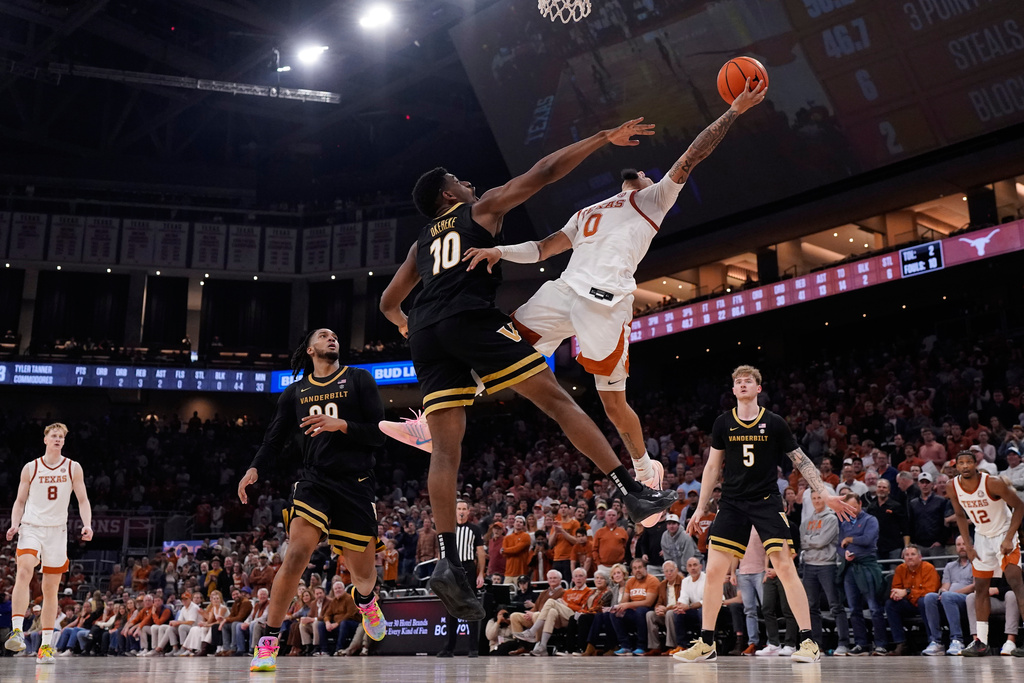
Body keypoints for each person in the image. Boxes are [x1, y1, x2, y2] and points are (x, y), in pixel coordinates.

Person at [378, 118, 677, 621]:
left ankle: (451, 561)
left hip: (427, 332)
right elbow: (542, 172)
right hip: (470, 319)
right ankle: (634, 495)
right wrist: (602, 138)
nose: (466, 180)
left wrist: (409, 327)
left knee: (445, 452)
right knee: (558, 400)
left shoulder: (419, 245)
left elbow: (389, 302)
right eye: (456, 178)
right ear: (447, 194)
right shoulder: (479, 208)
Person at [674, 366, 853, 663]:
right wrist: (702, 506)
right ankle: (706, 644)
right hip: (731, 502)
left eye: (748, 381)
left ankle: (808, 642)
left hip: (767, 501)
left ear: (758, 388)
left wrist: (823, 492)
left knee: (784, 567)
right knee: (715, 571)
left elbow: (801, 460)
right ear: (733, 390)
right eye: (738, 382)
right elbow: (711, 467)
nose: (742, 385)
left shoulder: (775, 422)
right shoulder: (722, 423)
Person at [237, 328, 388, 672]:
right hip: (313, 481)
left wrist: (341, 425)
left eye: (334, 335)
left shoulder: (360, 379)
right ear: (309, 349)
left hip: (356, 483)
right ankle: (268, 641)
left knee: (363, 575)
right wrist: (254, 469)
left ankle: (365, 601)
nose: (331, 338)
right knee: (295, 555)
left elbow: (378, 434)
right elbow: (273, 440)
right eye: (323, 335)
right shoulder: (295, 392)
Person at [4, 422, 93, 665]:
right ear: (45, 439)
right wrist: (15, 524)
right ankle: (17, 630)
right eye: (53, 436)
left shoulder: (73, 467)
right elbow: (20, 501)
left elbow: (83, 500)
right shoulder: (31, 468)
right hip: (32, 527)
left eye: (61, 437)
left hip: (57, 531)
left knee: (50, 590)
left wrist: (88, 524)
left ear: (64, 441)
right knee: (24, 570)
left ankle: (45, 647)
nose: (57, 440)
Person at [949, 449, 1024, 655]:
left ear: (975, 465)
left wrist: (1009, 537)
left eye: (968, 462)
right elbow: (959, 515)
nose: (965, 466)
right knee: (980, 588)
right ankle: (981, 641)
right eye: (961, 463)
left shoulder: (992, 482)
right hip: (981, 537)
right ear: (956, 466)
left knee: (1016, 584)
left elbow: (1019, 506)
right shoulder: (952, 486)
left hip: (1003, 533)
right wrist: (968, 545)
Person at [800, 491, 850, 653]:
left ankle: (843, 643)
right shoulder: (806, 521)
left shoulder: (831, 519)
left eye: (819, 498)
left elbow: (821, 541)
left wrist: (810, 540)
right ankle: (817, 645)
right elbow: (802, 542)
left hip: (827, 565)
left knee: (835, 605)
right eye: (814, 498)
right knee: (811, 607)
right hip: (809, 565)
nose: (816, 501)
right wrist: (812, 541)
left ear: (825, 499)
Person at [437, 500, 486, 657]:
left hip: (468, 569)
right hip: (451, 569)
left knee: (470, 607)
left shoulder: (475, 529)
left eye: (464, 508)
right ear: (455, 511)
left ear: (469, 511)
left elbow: (480, 552)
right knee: (451, 609)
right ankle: (449, 648)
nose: (462, 511)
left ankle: (473, 648)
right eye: (459, 508)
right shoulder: (448, 530)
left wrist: (481, 574)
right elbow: (442, 552)